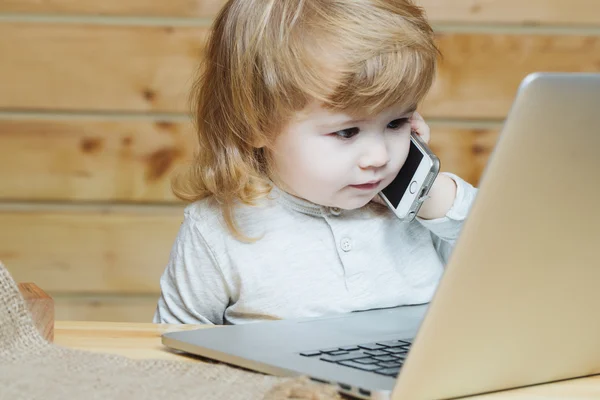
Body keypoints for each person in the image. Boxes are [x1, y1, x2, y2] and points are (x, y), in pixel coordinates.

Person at [153, 0, 478, 325]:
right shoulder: (217, 232)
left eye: (397, 123)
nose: (379, 157)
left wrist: (433, 197)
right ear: (256, 126)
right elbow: (172, 346)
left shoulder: (426, 209)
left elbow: (505, 265)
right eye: (347, 132)